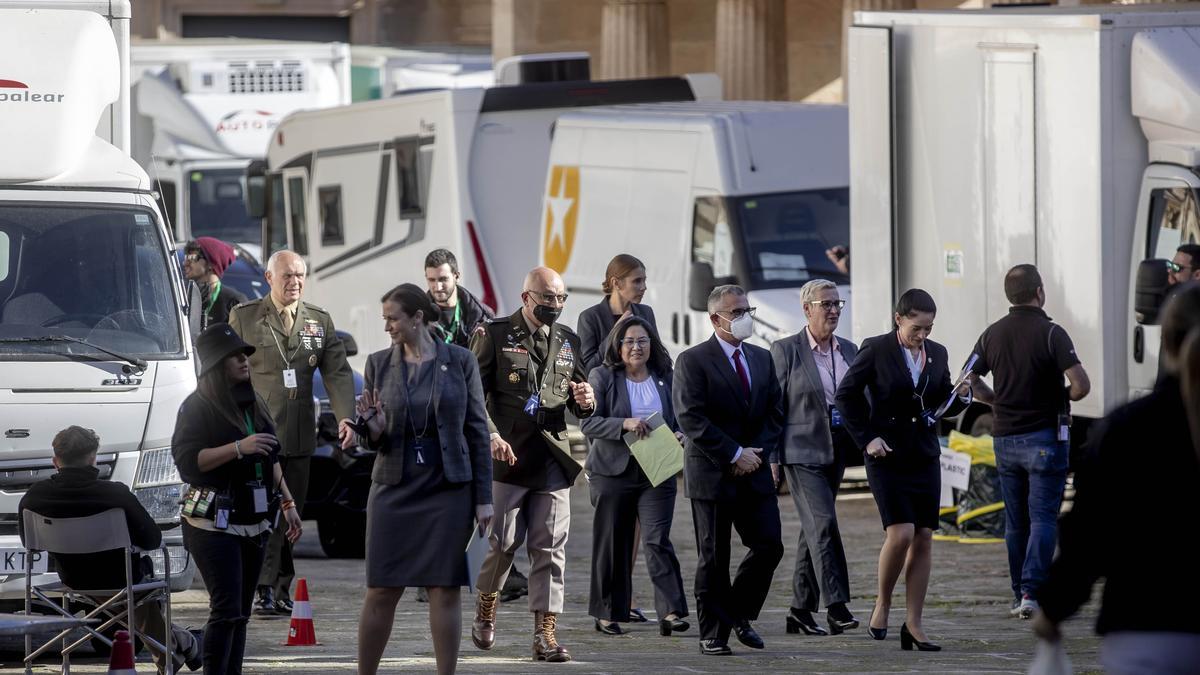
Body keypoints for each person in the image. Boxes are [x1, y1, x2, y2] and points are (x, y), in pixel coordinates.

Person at [1033, 284, 1200, 673]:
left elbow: (1092, 531)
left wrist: (1054, 607)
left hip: (1146, 629)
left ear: (1168, 344)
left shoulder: (1130, 428)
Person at [347, 284, 494, 675]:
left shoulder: (461, 361)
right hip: (394, 487)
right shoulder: (378, 364)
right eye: (385, 319)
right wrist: (373, 428)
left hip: (448, 489)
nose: (388, 327)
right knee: (381, 587)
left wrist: (485, 498)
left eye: (393, 318)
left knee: (444, 588)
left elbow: (477, 430)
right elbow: (373, 437)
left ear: (417, 318)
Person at [469, 267, 596, 664]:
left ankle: (545, 633)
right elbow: (474, 394)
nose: (555, 306)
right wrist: (490, 435)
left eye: (560, 299)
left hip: (554, 458)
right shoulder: (494, 334)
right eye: (547, 299)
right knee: (503, 543)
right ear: (527, 297)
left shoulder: (568, 340)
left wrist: (586, 399)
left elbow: (576, 395)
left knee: (550, 549)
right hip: (508, 456)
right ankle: (487, 604)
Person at [835, 288, 969, 652]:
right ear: (899, 319)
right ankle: (883, 602)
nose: (922, 335)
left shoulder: (937, 353)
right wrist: (866, 439)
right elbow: (845, 396)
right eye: (917, 328)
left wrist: (963, 394)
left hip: (923, 454)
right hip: (886, 454)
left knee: (924, 536)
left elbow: (942, 401)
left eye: (928, 328)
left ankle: (914, 624)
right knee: (901, 533)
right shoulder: (876, 348)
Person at [228, 250, 356, 616]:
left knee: (289, 512)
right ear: (269, 278)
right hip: (258, 434)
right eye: (286, 275)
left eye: (300, 275)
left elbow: (337, 373)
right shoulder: (246, 317)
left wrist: (346, 418)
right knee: (262, 511)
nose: (295, 281)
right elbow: (226, 371)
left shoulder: (317, 322)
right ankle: (265, 586)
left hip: (299, 436)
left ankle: (277, 587)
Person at [171, 323, 304, 674]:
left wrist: (288, 504)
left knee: (241, 614)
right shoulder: (197, 406)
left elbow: (270, 455)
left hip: (255, 520)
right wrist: (236, 448)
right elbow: (188, 462)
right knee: (227, 609)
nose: (244, 361)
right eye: (234, 356)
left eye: (244, 354)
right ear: (216, 364)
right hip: (211, 521)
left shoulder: (252, 402)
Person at [18, 426, 202, 674]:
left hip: (73, 579)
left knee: (126, 594)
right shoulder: (115, 494)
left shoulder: (33, 497)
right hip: (121, 579)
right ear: (94, 458)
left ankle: (181, 642)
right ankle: (180, 644)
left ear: (55, 461)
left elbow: (28, 543)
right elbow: (151, 539)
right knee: (138, 587)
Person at [965, 264, 1090, 619]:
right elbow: (1081, 386)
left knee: (1016, 522)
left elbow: (969, 378)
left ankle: (1019, 592)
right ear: (1040, 292)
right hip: (1044, 439)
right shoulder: (1052, 333)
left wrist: (996, 399)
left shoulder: (991, 334)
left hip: (1004, 438)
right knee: (1044, 518)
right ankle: (1033, 592)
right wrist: (1061, 397)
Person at [673, 284, 785, 656]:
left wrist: (755, 453)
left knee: (769, 545)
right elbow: (691, 418)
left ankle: (738, 613)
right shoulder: (692, 360)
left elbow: (774, 412)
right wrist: (733, 453)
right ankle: (713, 632)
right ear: (715, 318)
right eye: (735, 313)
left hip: (753, 468)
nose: (743, 318)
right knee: (714, 557)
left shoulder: (762, 358)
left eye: (746, 310)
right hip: (712, 472)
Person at [579, 315, 689, 637]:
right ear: (618, 345)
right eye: (630, 341)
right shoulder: (602, 376)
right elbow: (587, 424)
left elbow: (682, 417)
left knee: (657, 539)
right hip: (613, 471)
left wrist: (681, 434)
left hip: (657, 470)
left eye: (642, 341)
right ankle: (607, 614)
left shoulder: (664, 377)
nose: (636, 347)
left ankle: (670, 611)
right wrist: (623, 424)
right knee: (613, 542)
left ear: (651, 345)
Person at [769, 279, 860, 637]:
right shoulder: (786, 350)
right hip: (800, 450)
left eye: (838, 304)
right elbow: (773, 408)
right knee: (823, 523)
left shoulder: (849, 350)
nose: (834, 310)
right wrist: (773, 456)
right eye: (827, 304)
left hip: (837, 449)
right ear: (807, 309)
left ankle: (799, 611)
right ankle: (837, 607)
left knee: (813, 530)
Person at [577, 254, 658, 374]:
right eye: (637, 281)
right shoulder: (590, 318)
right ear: (616, 283)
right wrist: (614, 334)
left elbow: (659, 360)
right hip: (607, 390)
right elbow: (587, 370)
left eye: (644, 281)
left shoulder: (646, 313)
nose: (644, 287)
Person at [424, 248, 495, 347]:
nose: (438, 287)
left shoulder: (484, 317)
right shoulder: (416, 320)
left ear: (456, 277)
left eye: (443, 279)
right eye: (432, 280)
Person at [184, 237, 246, 340]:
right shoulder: (184, 296)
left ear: (210, 263)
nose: (185, 263)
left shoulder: (234, 301)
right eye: (186, 257)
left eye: (191, 258)